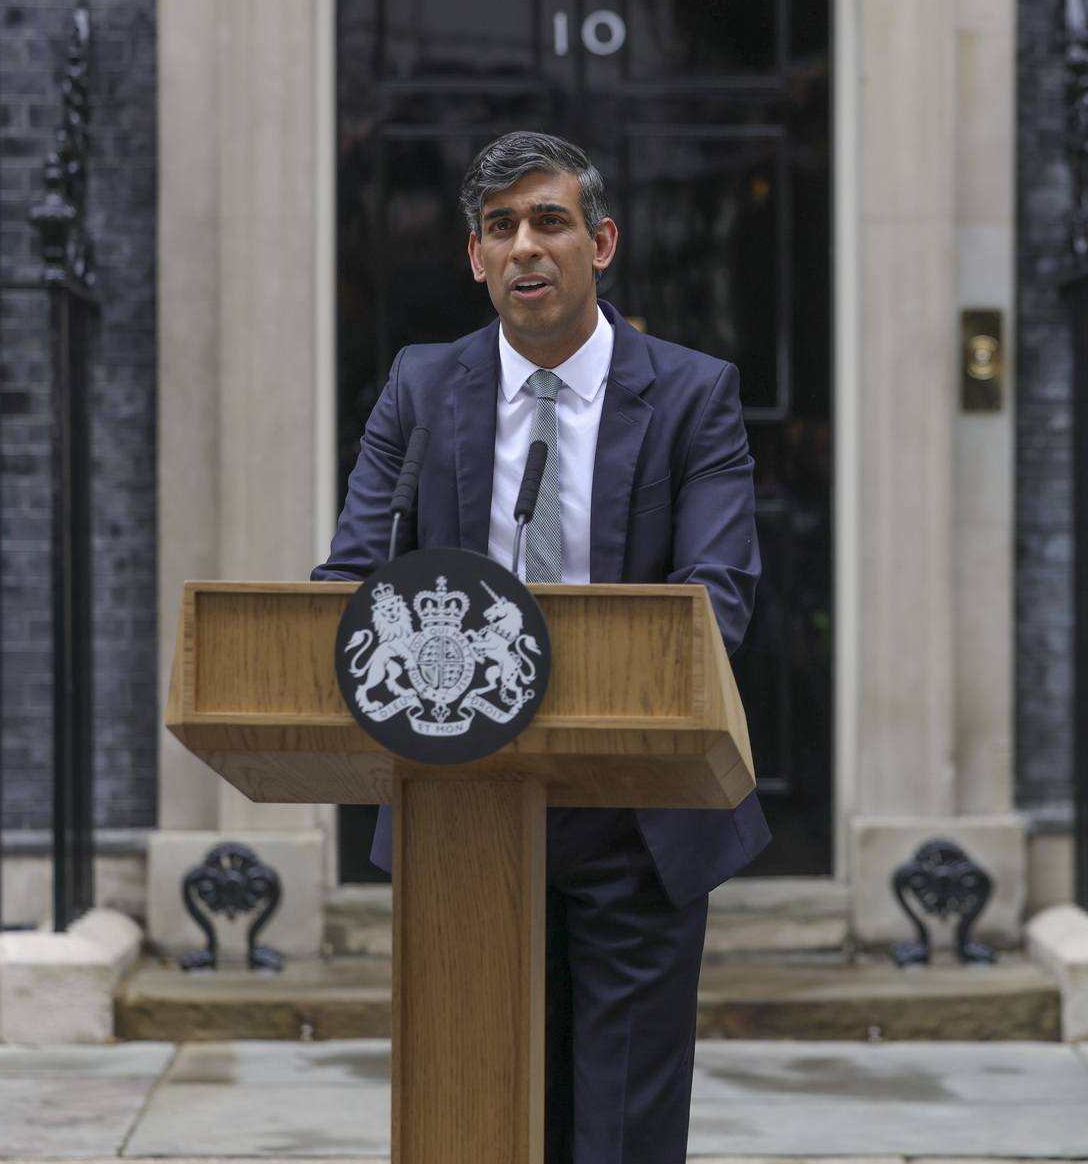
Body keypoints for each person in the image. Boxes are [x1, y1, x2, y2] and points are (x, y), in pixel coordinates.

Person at [312, 131, 765, 1164]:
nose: (526, 247)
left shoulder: (695, 394)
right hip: (460, 808)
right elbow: (348, 582)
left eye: (550, 222)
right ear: (475, 257)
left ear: (600, 242)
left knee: (620, 1139)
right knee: (473, 1122)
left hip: (636, 812)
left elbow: (718, 603)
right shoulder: (422, 391)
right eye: (501, 227)